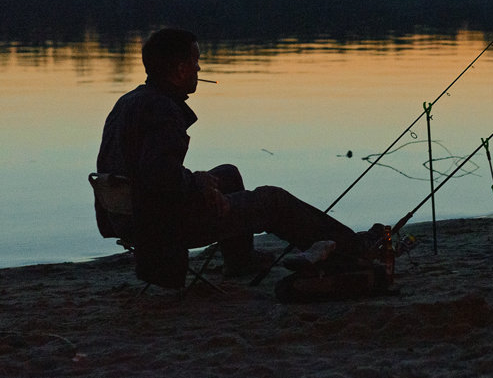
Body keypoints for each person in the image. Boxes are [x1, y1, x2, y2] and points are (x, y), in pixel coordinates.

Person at [95, 27, 381, 289]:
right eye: (195, 61)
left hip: (130, 216)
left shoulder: (130, 101)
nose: (199, 68)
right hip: (159, 225)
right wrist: (197, 185)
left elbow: (145, 171)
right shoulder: (162, 109)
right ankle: (352, 247)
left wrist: (199, 182)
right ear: (180, 68)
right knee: (272, 201)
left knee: (227, 174)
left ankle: (240, 261)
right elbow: (159, 175)